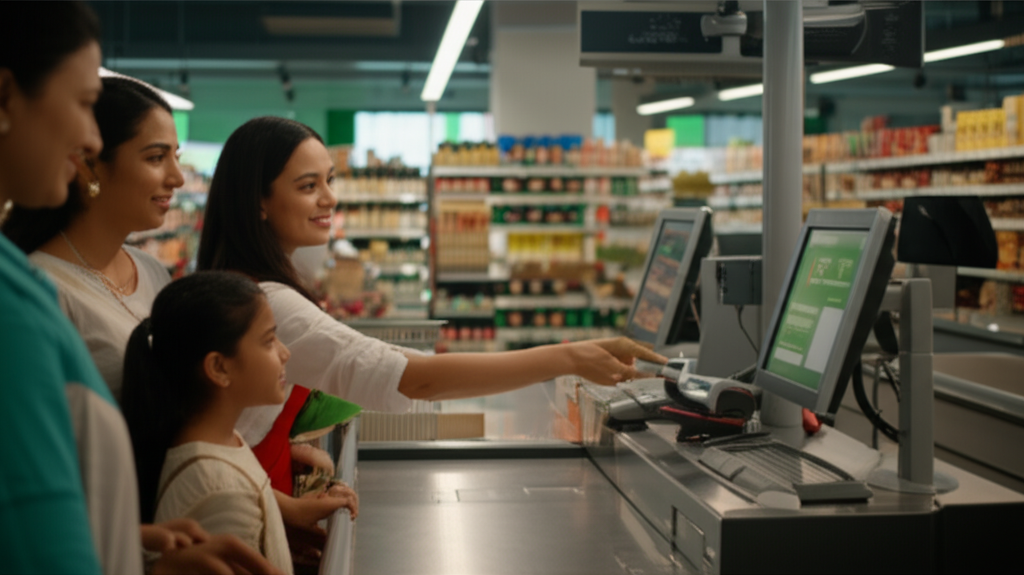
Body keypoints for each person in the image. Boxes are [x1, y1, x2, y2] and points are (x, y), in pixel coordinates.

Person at [0, 2, 279, 573]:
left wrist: (133, 539)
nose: (85, 136)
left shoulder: (150, 273)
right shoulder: (32, 294)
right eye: (81, 105)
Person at [197, 116, 667, 437]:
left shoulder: (245, 285)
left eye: (330, 180)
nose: (330, 198)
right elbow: (419, 380)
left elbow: (396, 361)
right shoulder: (269, 303)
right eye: (308, 186)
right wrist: (567, 357)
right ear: (257, 200)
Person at [121, 271, 359, 575]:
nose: (285, 353)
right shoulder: (220, 489)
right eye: (269, 340)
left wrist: (278, 525)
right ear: (219, 367)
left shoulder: (222, 439)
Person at [4, 74, 180, 401]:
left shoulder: (151, 271)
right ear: (89, 166)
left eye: (176, 157)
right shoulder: (44, 290)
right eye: (156, 157)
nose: (178, 178)